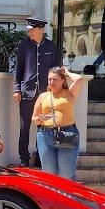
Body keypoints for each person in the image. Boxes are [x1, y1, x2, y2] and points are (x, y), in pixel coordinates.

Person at [13, 17, 60, 167]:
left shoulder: (52, 47)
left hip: (46, 94)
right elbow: (18, 68)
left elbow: (57, 70)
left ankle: (41, 157)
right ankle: (24, 159)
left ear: (41, 30)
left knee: (44, 127)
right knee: (24, 127)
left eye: (32, 30)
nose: (30, 32)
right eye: (29, 30)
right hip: (27, 93)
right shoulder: (23, 45)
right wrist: (17, 89)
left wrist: (57, 92)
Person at [31, 66, 84, 180]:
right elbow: (34, 118)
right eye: (49, 79)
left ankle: (66, 197)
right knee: (49, 174)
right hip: (45, 134)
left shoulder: (69, 93)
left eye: (55, 79)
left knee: (66, 174)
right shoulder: (43, 96)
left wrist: (67, 72)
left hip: (66, 133)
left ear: (62, 80)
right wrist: (40, 119)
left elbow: (79, 79)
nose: (51, 82)